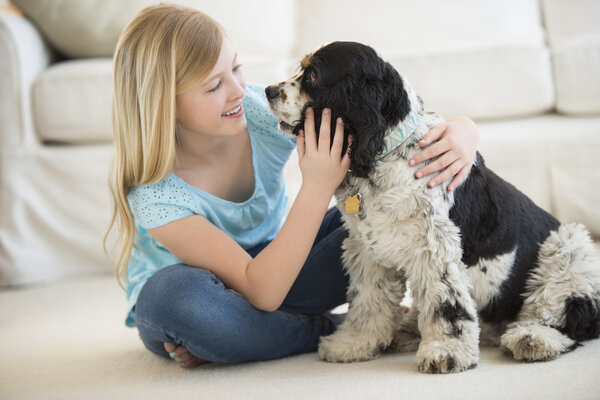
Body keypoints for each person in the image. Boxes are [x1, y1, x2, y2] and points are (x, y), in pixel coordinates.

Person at [106, 4, 480, 369]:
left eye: (236, 68)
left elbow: (378, 126)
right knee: (174, 301)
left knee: (370, 218)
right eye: (214, 85)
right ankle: (309, 329)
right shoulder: (155, 194)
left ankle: (238, 338)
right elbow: (262, 291)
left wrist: (462, 129)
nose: (238, 89)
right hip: (205, 293)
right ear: (163, 104)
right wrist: (317, 187)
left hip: (282, 270)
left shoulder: (253, 108)